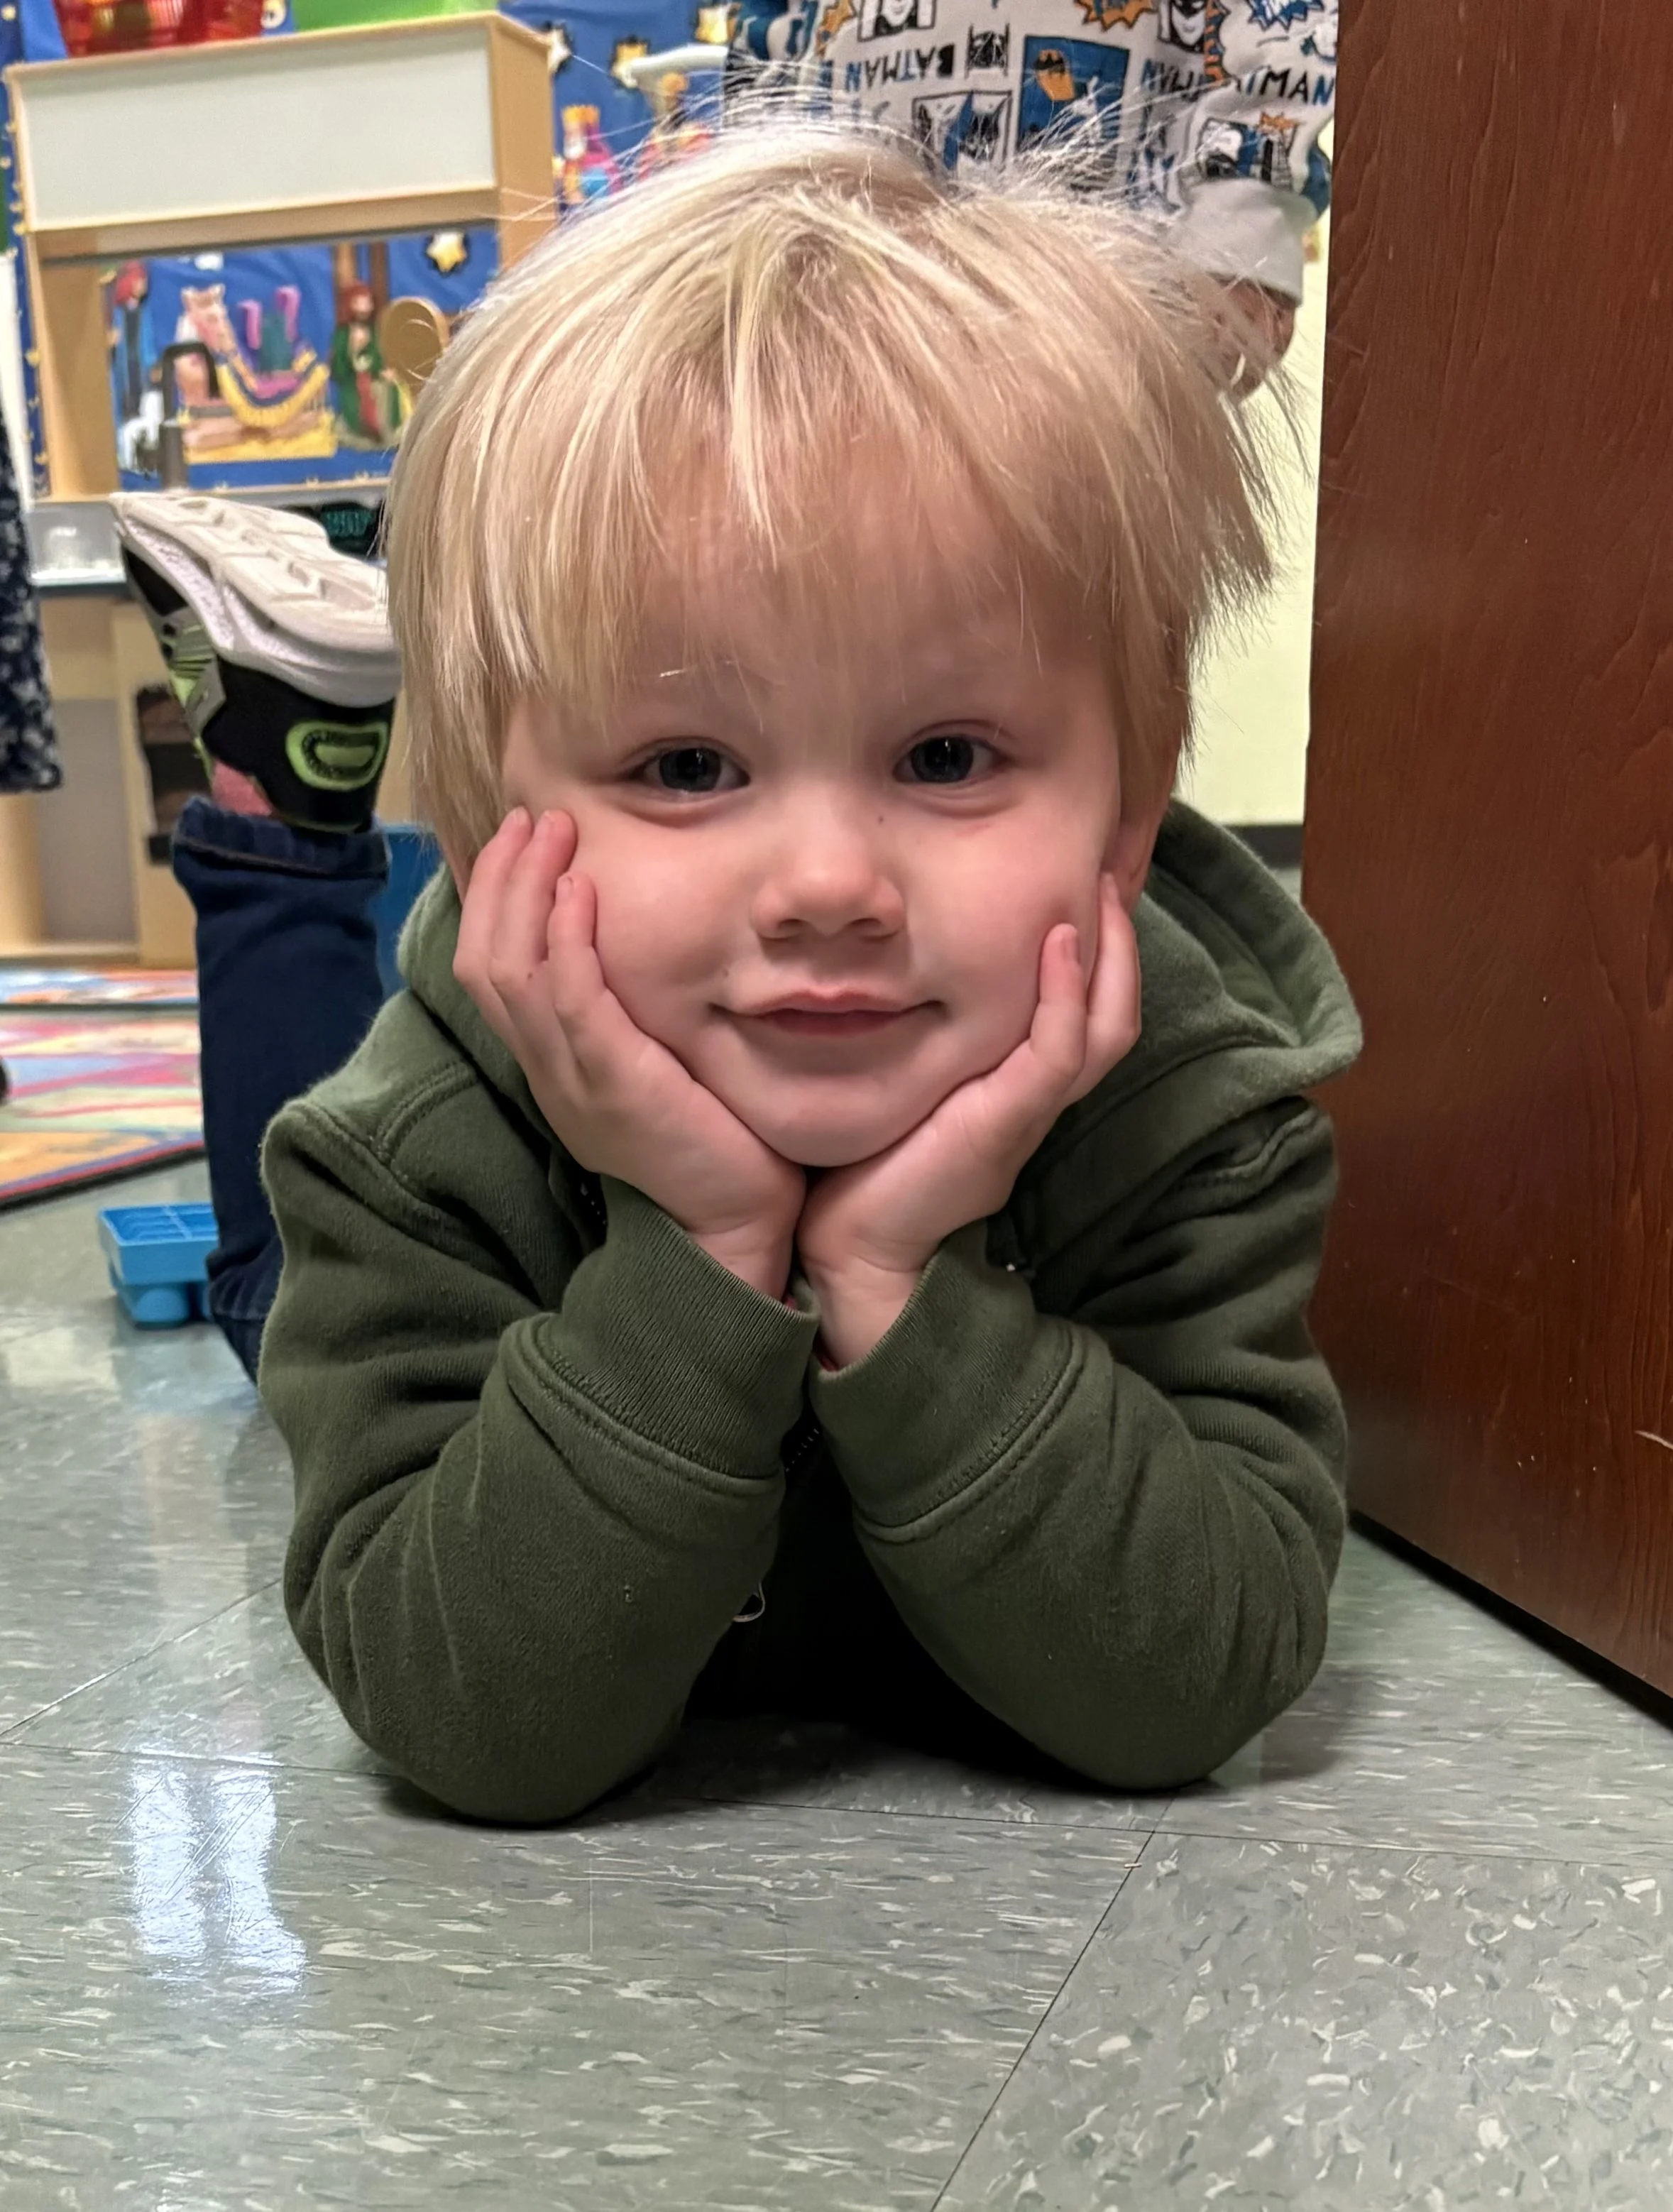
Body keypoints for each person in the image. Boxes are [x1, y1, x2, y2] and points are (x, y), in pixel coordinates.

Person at [121, 121, 1358, 1827]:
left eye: (944, 755)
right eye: (687, 766)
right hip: (429, 1186)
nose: (829, 884)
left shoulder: (1189, 1123)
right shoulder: (410, 1152)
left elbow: (1199, 1678)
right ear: (488, 832)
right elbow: (454, 1714)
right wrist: (699, 1249)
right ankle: (275, 797)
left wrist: (893, 1276)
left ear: (1130, 814)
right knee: (259, 1289)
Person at [728, 0, 1337, 393]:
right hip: (829, 283)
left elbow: (1281, 21)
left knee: (1089, 536)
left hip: (1117, 309)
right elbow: (767, 38)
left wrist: (1240, 226)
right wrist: (744, 219)